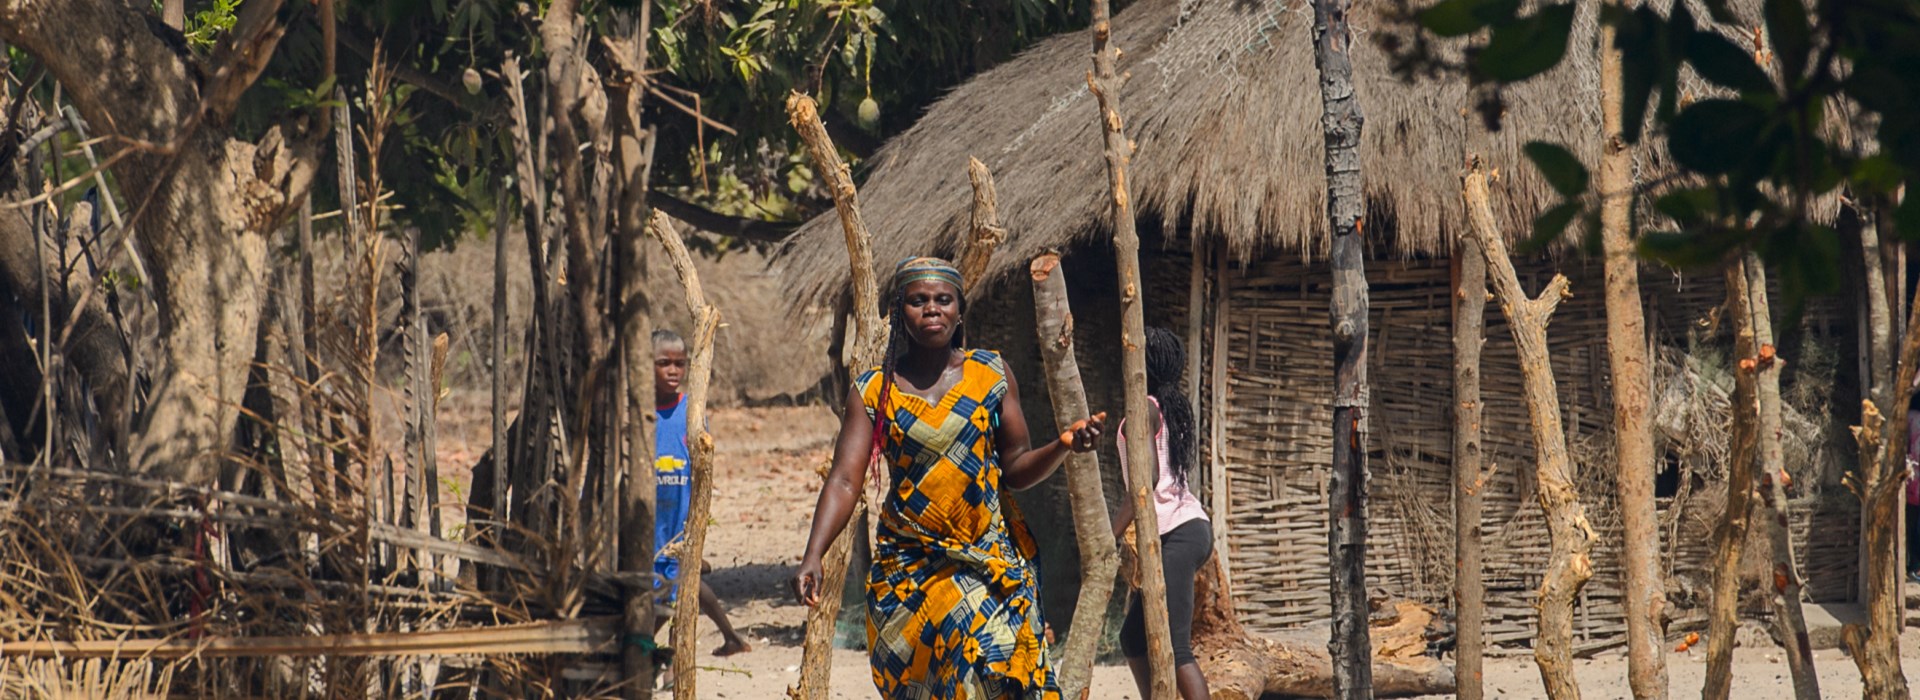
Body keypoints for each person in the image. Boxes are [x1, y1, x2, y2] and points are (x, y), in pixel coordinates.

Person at [791, 257, 1104, 699]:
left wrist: (1063, 445)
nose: (932, 309)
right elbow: (845, 481)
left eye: (943, 300)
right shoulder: (875, 391)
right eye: (918, 301)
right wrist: (813, 554)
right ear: (900, 311)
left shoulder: (990, 375)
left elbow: (1014, 466)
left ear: (960, 310)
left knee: (997, 665)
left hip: (986, 561)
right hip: (910, 567)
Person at [1111, 326, 1212, 700]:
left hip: (1180, 533)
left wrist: (1111, 533)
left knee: (1176, 645)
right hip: (1185, 531)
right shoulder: (1162, 406)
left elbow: (1145, 479)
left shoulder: (1146, 410)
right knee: (1133, 638)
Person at [651, 328, 752, 658]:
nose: (673, 371)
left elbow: (702, 464)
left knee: (681, 578)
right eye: (664, 363)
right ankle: (651, 651)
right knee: (661, 583)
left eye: (679, 364)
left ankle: (666, 659)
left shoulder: (691, 412)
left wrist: (697, 518)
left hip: (680, 512)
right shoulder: (639, 412)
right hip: (652, 514)